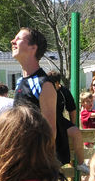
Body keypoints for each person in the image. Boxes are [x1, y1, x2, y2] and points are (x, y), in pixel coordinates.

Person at [10, 27, 68, 166]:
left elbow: (50, 131)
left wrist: (38, 164)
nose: (12, 41)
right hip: (21, 157)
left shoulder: (44, 84)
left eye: (18, 39)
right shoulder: (20, 81)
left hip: (36, 163)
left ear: (33, 48)